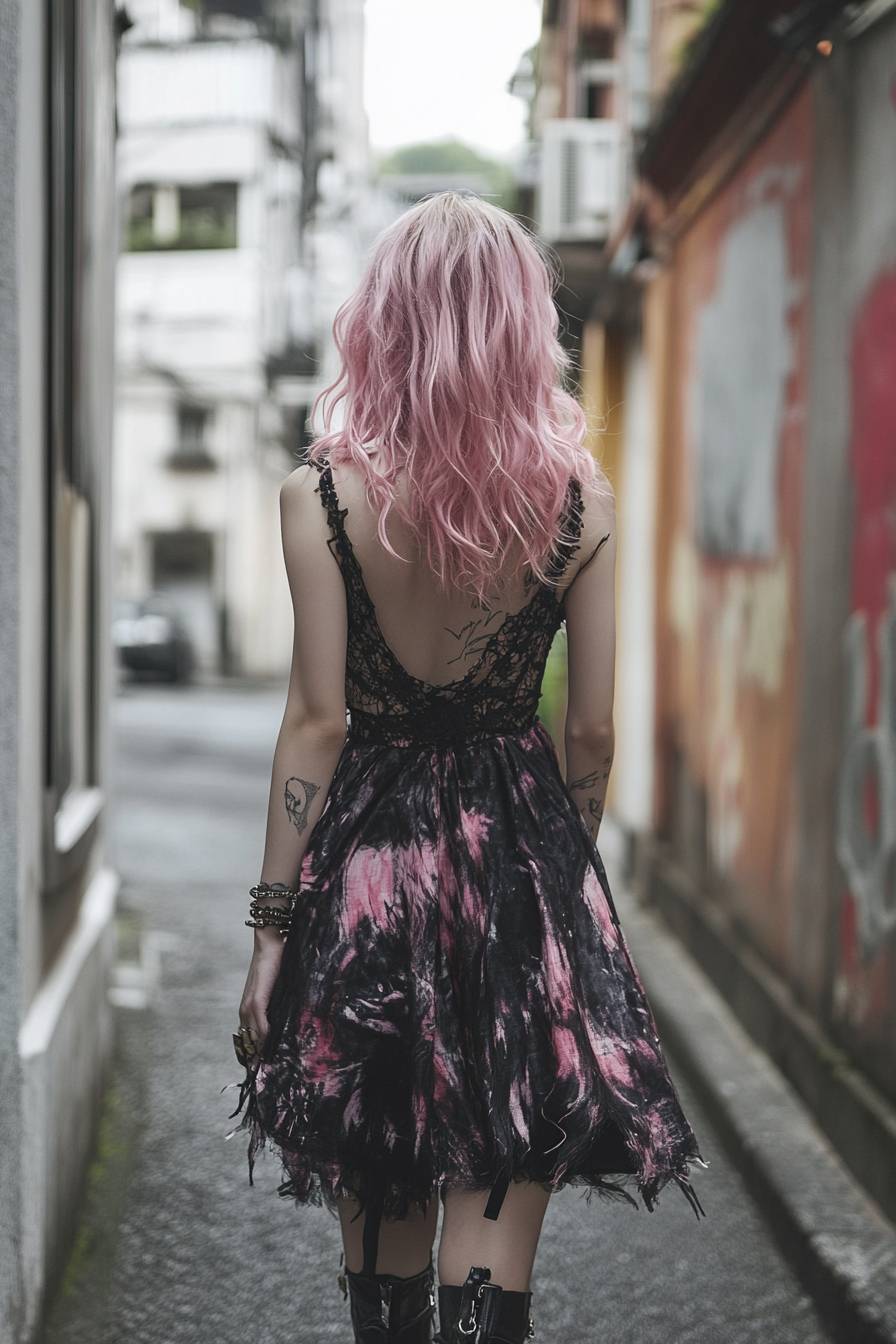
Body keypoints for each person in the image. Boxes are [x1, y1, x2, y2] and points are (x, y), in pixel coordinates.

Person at [223, 190, 709, 1343]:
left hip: (364, 887)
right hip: (514, 876)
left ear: (379, 324)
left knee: (382, 1229)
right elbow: (587, 731)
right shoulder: (577, 504)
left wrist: (269, 931)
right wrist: (556, 883)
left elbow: (315, 723)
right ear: (518, 325)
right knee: (493, 1211)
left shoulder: (318, 498)